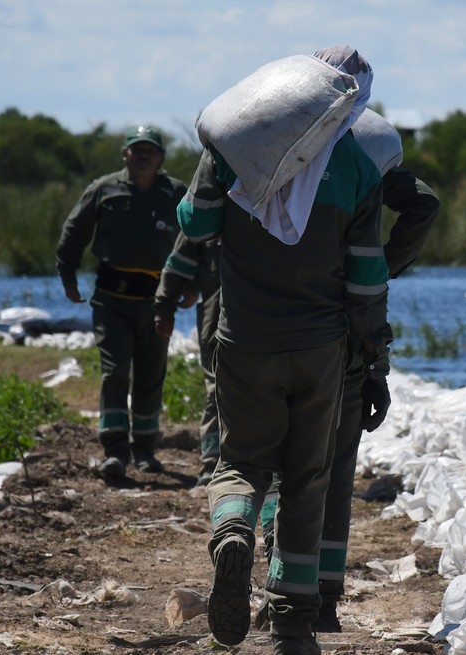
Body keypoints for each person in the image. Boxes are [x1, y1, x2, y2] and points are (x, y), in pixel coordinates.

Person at [180, 48, 391, 655]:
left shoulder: (231, 151)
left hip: (246, 341)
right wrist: (373, 361)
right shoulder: (356, 167)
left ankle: (232, 534)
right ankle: (293, 625)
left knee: (241, 462)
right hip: (321, 351)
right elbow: (366, 281)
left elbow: (195, 226)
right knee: (306, 481)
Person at [56, 126, 185, 482]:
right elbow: (73, 232)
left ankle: (144, 450)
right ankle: (114, 451)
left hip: (158, 302)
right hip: (111, 300)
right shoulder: (103, 189)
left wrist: (194, 286)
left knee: (150, 376)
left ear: (161, 157)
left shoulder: (176, 194)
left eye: (151, 151)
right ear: (125, 154)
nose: (144, 156)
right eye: (137, 150)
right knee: (115, 372)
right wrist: (68, 276)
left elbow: (199, 240)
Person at [153, 232, 222, 487]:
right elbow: (180, 261)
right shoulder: (213, 201)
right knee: (218, 392)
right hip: (217, 320)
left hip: (270, 324)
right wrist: (164, 306)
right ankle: (213, 462)